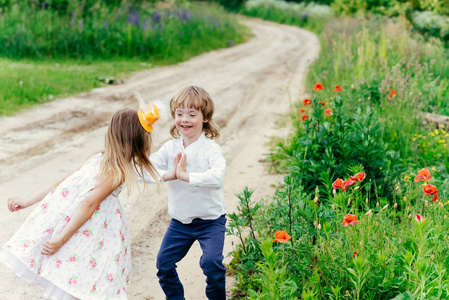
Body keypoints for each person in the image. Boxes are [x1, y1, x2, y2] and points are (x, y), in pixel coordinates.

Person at [0, 106, 162, 300]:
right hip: (75, 227)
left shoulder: (118, 171)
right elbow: (62, 183)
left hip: (90, 233)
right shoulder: (97, 158)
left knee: (80, 284)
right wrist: (28, 201)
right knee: (67, 278)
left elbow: (89, 204)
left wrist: (61, 239)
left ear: (113, 134)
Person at [149, 86, 227, 300]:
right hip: (180, 222)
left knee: (212, 264)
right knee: (163, 265)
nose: (185, 119)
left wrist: (185, 176)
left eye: (192, 114)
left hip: (211, 221)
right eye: (179, 114)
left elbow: (216, 178)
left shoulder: (211, 149)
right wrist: (170, 174)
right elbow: (146, 171)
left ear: (205, 118)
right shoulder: (169, 148)